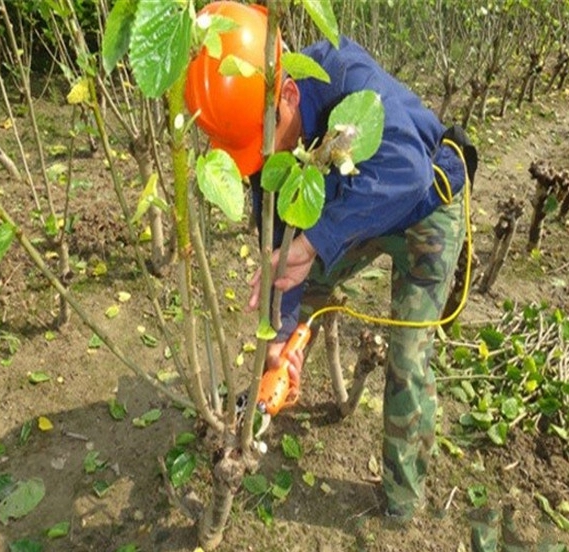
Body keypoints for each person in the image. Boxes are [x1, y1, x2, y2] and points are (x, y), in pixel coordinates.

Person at [185, 1, 476, 522]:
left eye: (258, 145)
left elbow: (405, 170)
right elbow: (282, 246)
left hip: (425, 203)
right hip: (346, 214)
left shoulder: (344, 74)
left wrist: (314, 241)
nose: (258, 165)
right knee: (302, 278)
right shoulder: (266, 139)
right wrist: (282, 331)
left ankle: (401, 504)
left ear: (289, 94)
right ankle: (289, 364)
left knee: (409, 352)